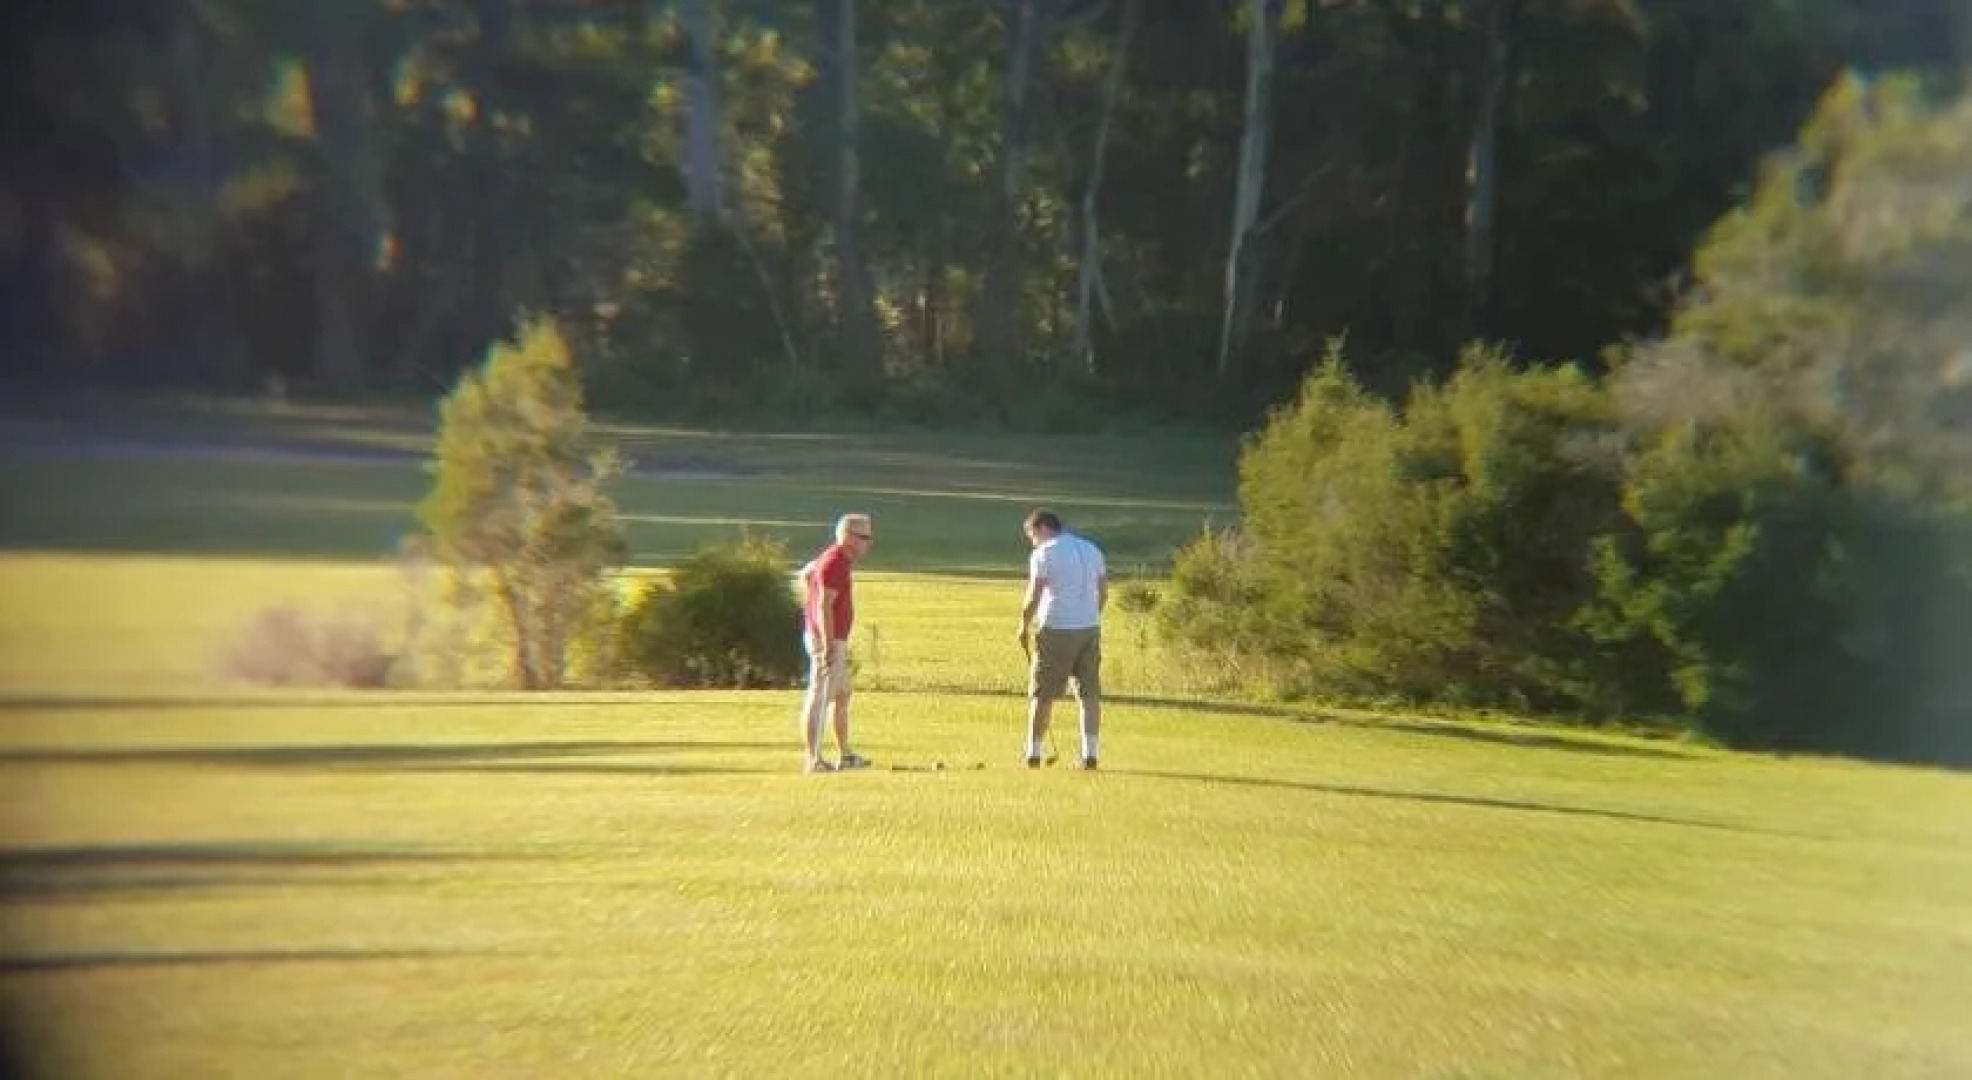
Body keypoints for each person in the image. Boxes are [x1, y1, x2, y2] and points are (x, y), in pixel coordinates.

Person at [1015, 508, 1107, 770]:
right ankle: (1090, 753)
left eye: (1032, 535)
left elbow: (1034, 595)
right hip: (1089, 626)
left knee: (1043, 692)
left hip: (1057, 626)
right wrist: (1090, 615)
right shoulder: (1092, 549)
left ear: (1042, 528)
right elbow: (1103, 591)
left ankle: (1033, 752)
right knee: (1089, 694)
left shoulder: (1044, 554)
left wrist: (1023, 625)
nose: (1032, 541)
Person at [797, 513, 876, 773]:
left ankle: (845, 755)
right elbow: (824, 604)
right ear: (848, 536)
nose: (869, 542)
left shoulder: (836, 559)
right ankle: (813, 759)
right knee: (820, 696)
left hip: (831, 637)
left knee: (842, 694)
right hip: (827, 639)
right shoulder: (835, 563)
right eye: (864, 537)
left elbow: (808, 573)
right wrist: (828, 645)